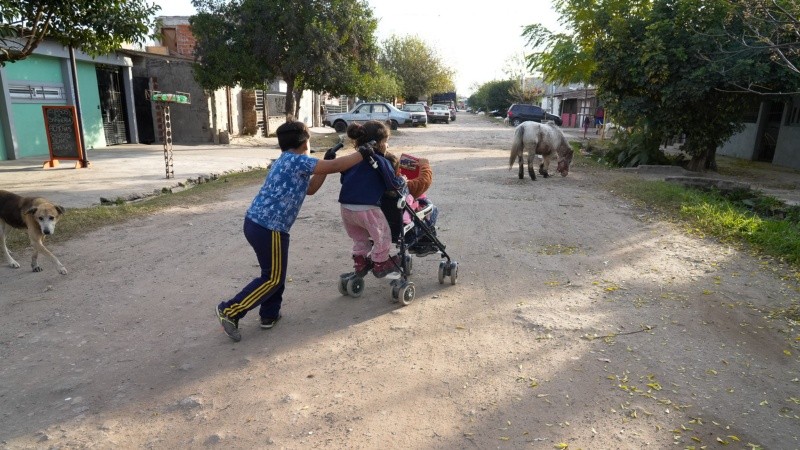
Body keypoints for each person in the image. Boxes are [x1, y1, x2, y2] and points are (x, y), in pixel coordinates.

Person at [215, 121, 373, 342]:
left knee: (274, 274)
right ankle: (230, 310)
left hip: (259, 224)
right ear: (304, 143)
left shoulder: (287, 161)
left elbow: (311, 189)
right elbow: (337, 166)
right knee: (272, 278)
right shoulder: (298, 161)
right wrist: (363, 153)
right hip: (269, 228)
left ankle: (269, 314)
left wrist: (326, 161)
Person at [338, 120, 406, 279]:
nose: (387, 145)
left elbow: (343, 179)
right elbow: (392, 184)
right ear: (379, 143)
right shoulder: (380, 160)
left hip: (346, 207)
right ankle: (381, 263)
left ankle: (360, 261)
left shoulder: (353, 159)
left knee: (359, 238)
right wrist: (402, 180)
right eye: (386, 142)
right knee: (383, 236)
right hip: (367, 208)